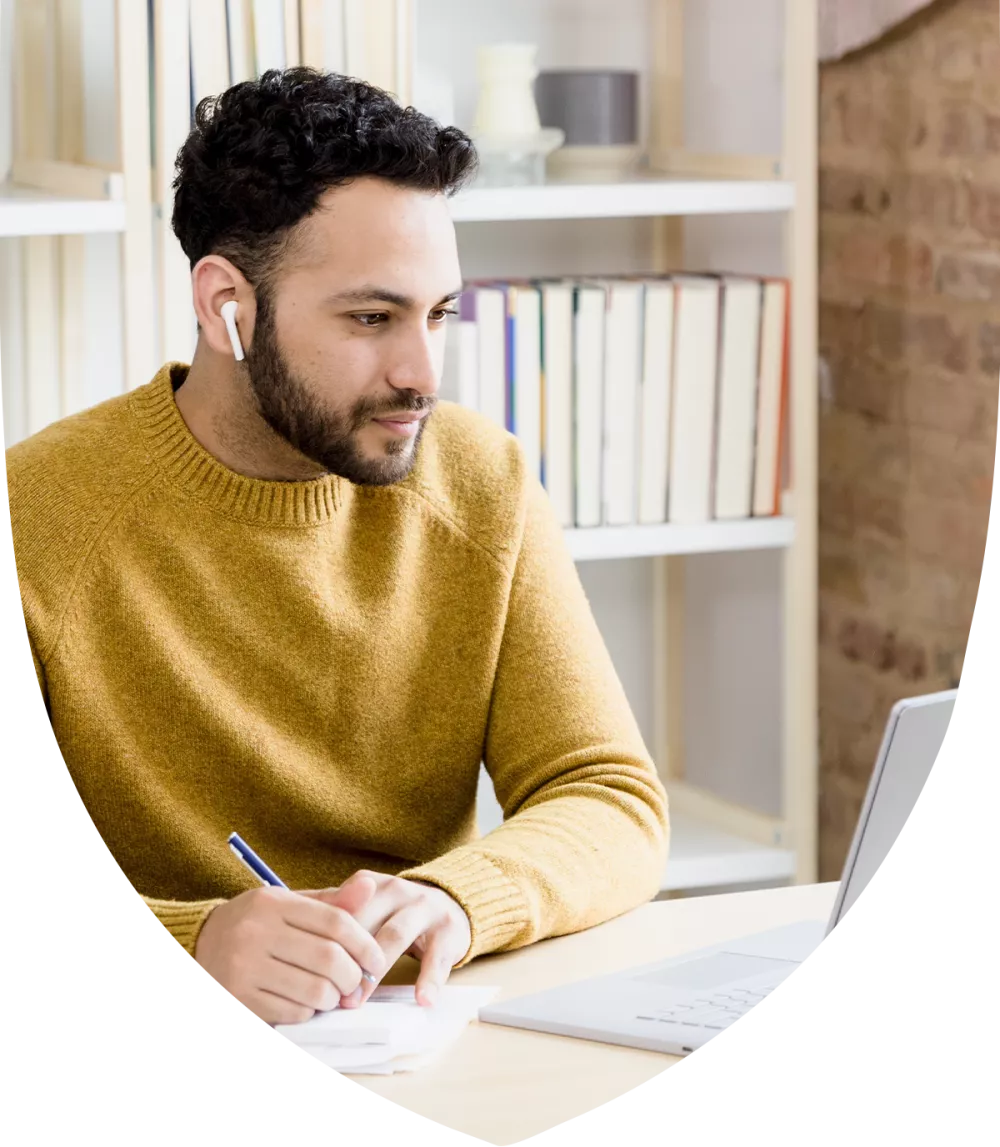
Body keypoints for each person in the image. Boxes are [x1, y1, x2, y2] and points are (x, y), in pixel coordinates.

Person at [6, 68, 669, 1027]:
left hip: (421, 1039)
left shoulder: (482, 482)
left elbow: (608, 796)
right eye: (371, 318)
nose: (421, 373)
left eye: (438, 314)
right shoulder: (39, 509)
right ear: (226, 304)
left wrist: (455, 898)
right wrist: (198, 938)